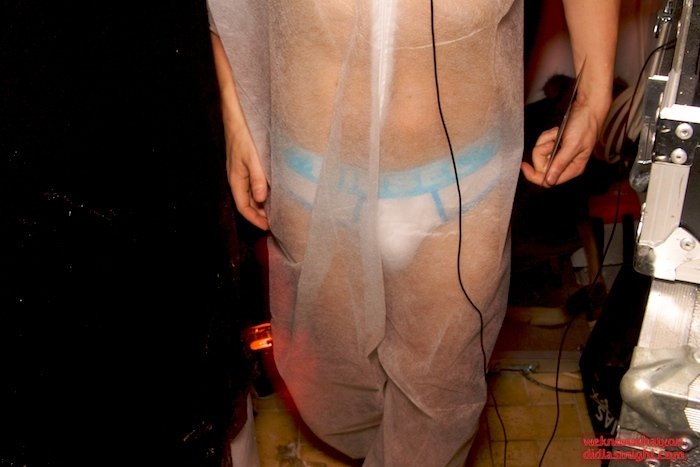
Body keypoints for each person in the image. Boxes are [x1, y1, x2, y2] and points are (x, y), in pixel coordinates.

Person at [207, 1, 620, 465]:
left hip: (460, 189)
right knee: (327, 378)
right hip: (314, 181)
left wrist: (594, 96)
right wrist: (235, 114)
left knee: (439, 400)